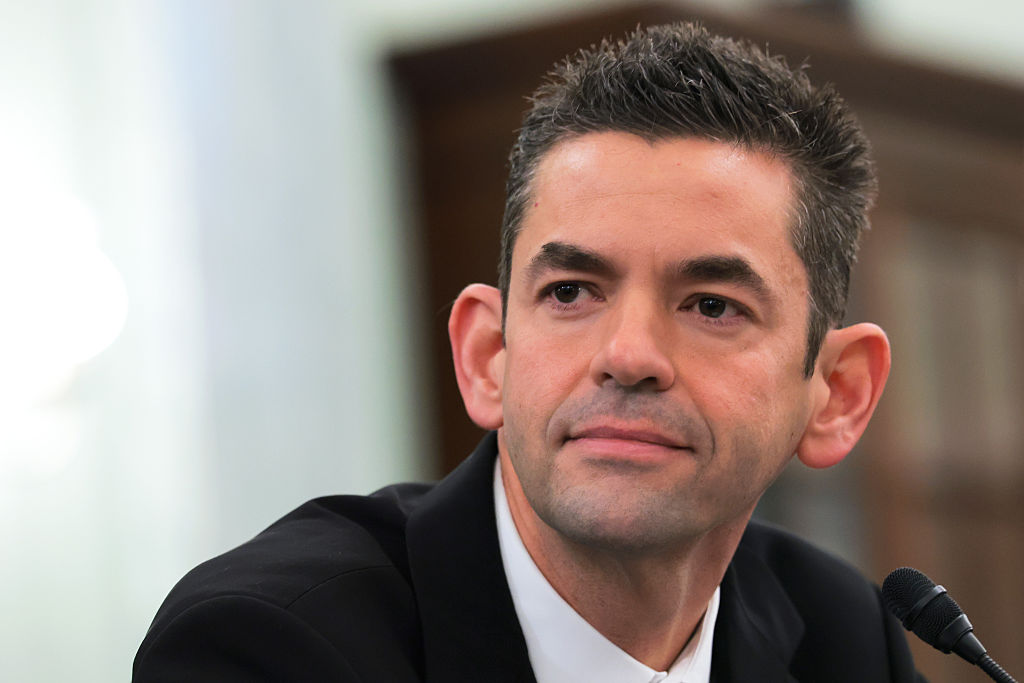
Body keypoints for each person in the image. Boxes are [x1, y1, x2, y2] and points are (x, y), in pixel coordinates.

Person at [134, 22, 926, 682]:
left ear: (838, 394)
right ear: (488, 355)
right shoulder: (273, 645)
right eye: (572, 292)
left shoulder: (844, 636)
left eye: (712, 305)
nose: (628, 354)